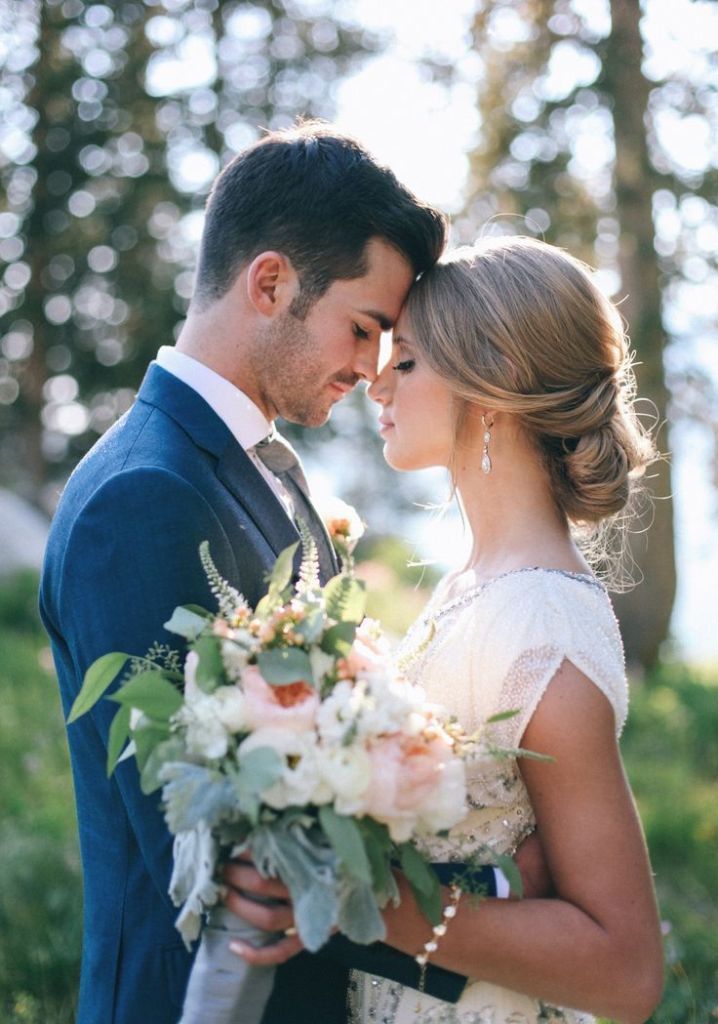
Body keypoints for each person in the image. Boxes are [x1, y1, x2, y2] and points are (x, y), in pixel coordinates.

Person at [39, 121, 445, 1024]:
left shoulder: (252, 465)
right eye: (364, 326)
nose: (373, 369)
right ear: (271, 283)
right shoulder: (141, 497)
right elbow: (209, 855)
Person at [351, 236, 664, 1023]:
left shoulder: (541, 628)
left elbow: (626, 971)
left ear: (489, 389)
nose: (376, 381)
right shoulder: (475, 586)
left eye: (410, 360)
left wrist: (359, 902)